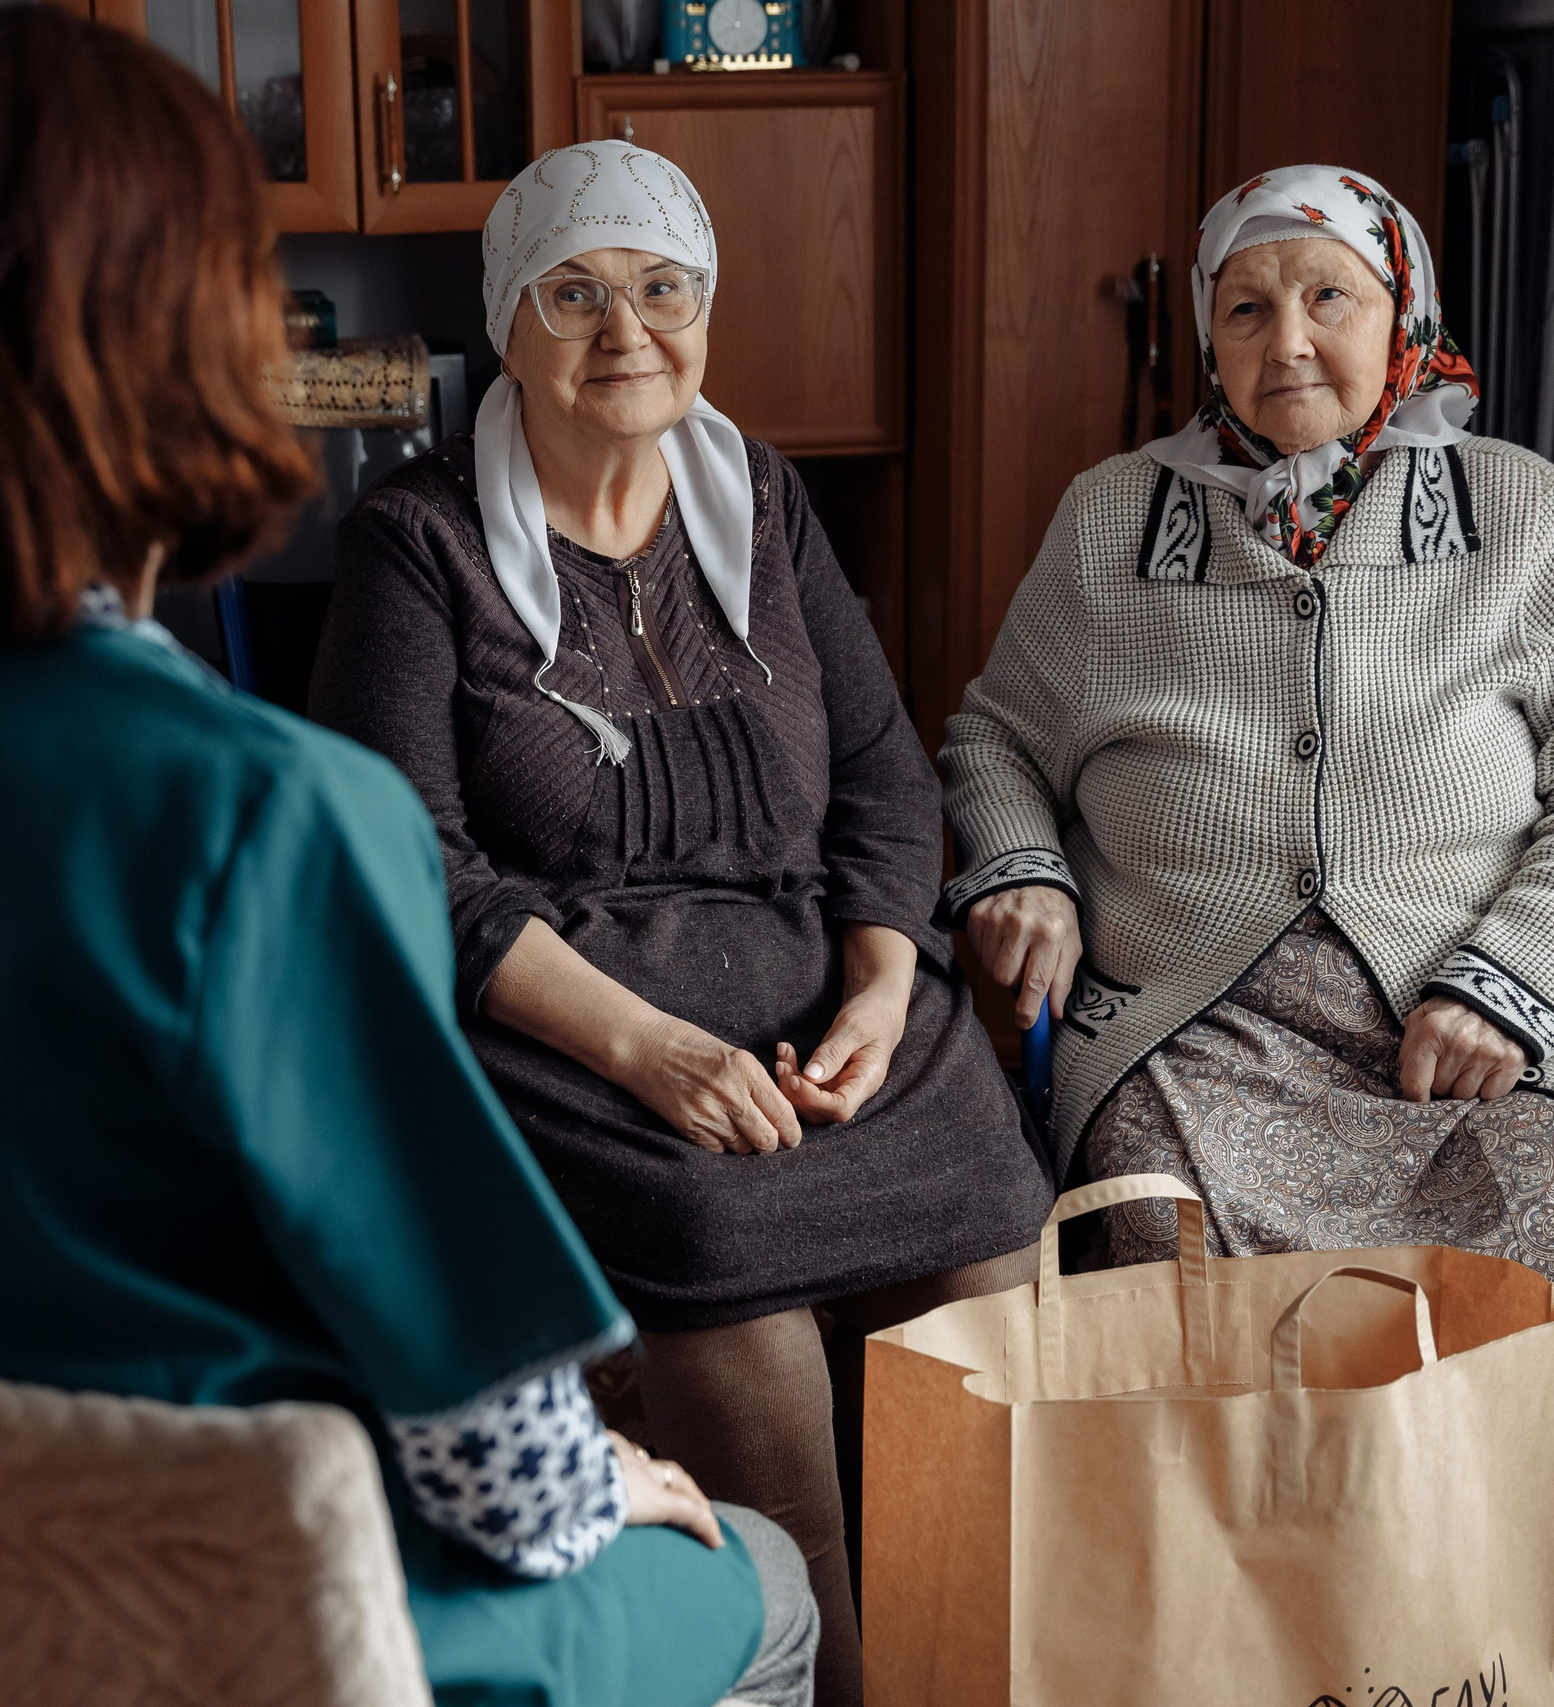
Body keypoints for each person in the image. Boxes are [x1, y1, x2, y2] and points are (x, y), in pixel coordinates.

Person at [0, 16, 815, 1706]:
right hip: (231, 1624)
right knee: (769, 1582)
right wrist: (622, 1489)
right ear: (194, 345)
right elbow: (499, 1458)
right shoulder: (262, 817)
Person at [309, 140, 1052, 1707]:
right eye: (573, 293)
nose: (624, 330)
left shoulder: (761, 497)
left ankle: (990, 1677)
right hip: (574, 1024)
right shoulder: (418, 543)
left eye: (662, 289)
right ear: (506, 319)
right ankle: (825, 1679)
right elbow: (408, 865)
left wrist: (876, 989)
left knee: (998, 1251)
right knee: (733, 1269)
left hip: (818, 996)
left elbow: (882, 781)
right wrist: (652, 1054)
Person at [937, 164, 1554, 1702]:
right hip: (1198, 1024)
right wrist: (1028, 871)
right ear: (1203, 334)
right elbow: (997, 734)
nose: (1290, 341)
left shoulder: (1518, 514)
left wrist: (1513, 983)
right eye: (1247, 305)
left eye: (1330, 297)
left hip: (1471, 1026)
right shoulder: (1111, 522)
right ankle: (1247, 1624)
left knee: (1542, 1211)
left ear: (1400, 311)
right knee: (1152, 1210)